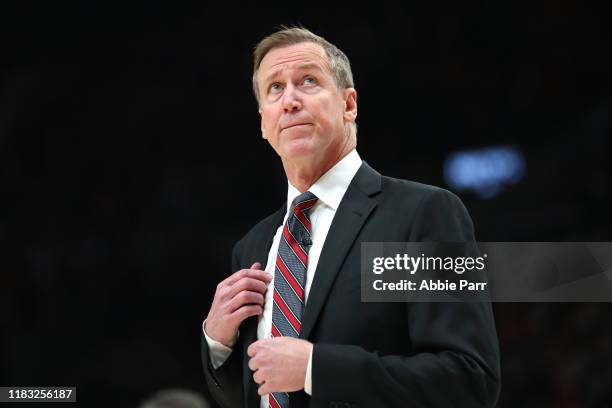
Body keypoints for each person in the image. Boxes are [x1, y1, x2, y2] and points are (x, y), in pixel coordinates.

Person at [201, 26, 500, 408]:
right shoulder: (253, 247)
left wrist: (315, 368)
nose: (290, 100)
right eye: (275, 88)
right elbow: (249, 395)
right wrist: (217, 343)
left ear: (348, 105)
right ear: (263, 122)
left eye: (308, 81)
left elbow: (469, 380)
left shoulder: (421, 214)